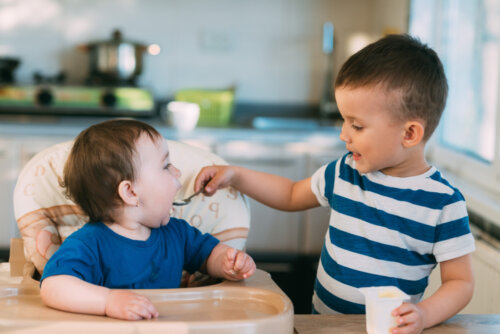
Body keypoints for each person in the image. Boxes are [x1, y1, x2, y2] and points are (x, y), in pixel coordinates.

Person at [194, 34, 475, 334]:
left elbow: (461, 282)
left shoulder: (443, 203)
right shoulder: (346, 171)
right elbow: (290, 194)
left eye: (356, 125)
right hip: (323, 324)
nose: (344, 134)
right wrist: (237, 175)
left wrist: (423, 315)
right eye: (344, 120)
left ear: (409, 134)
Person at [40, 119, 256, 321]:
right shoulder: (88, 244)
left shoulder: (177, 233)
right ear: (131, 192)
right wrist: (108, 301)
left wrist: (228, 262)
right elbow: (53, 286)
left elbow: (208, 256)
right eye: (166, 166)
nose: (178, 172)